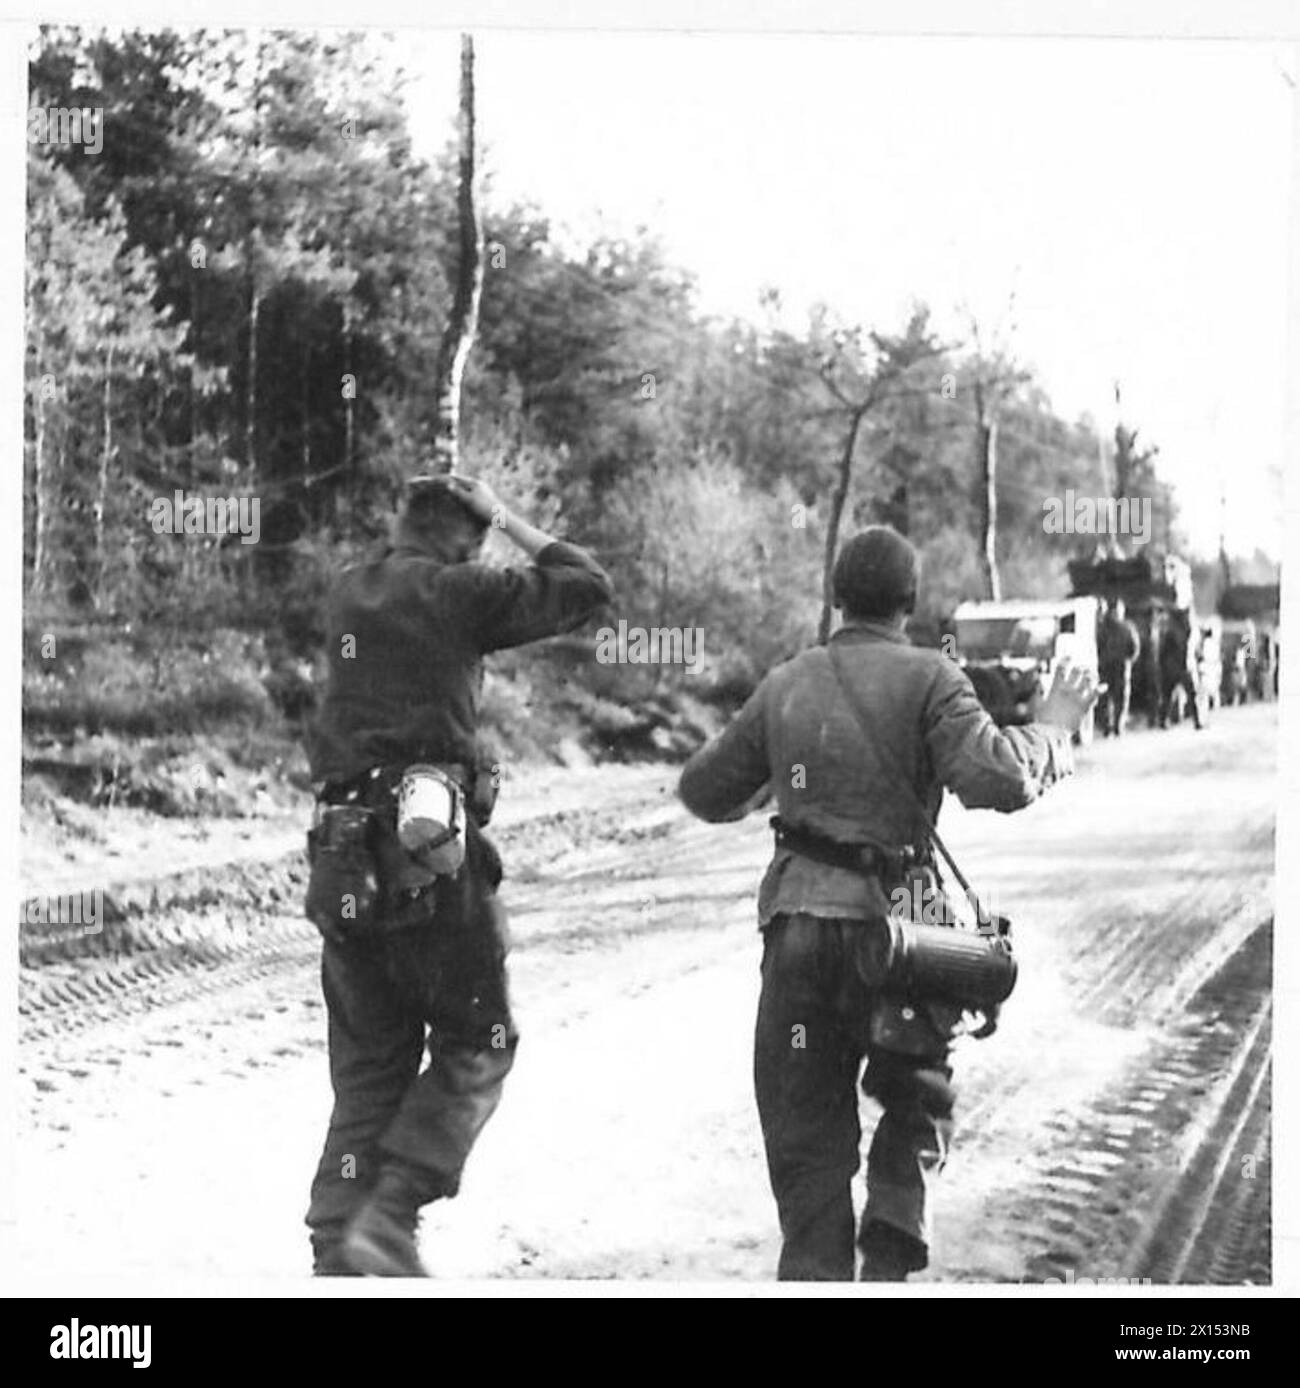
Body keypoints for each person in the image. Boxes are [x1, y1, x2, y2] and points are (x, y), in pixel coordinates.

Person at [677, 526, 1096, 1282]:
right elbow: (999, 780)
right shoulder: (933, 677)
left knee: (805, 1132)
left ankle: (817, 1271)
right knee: (917, 1093)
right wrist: (1055, 729)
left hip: (800, 931)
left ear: (836, 595)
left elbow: (705, 791)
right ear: (911, 601)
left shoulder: (788, 681)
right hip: (901, 937)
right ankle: (893, 1239)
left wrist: (795, 777)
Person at [303, 473, 613, 1276]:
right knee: (480, 1037)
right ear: (467, 539)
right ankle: (391, 1212)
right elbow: (586, 584)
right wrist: (509, 517)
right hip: (426, 845)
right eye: (479, 538)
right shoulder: (457, 593)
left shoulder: (348, 592)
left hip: (341, 852)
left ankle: (338, 1245)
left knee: (370, 1065)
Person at [1097, 597, 1141, 736]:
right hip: (1120, 666)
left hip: (1108, 666)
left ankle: (1107, 726)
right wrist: (1129, 660)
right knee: (1120, 697)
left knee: (1107, 697)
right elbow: (1134, 648)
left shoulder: (1103, 628)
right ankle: (1117, 726)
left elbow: (1098, 646)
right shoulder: (1127, 628)